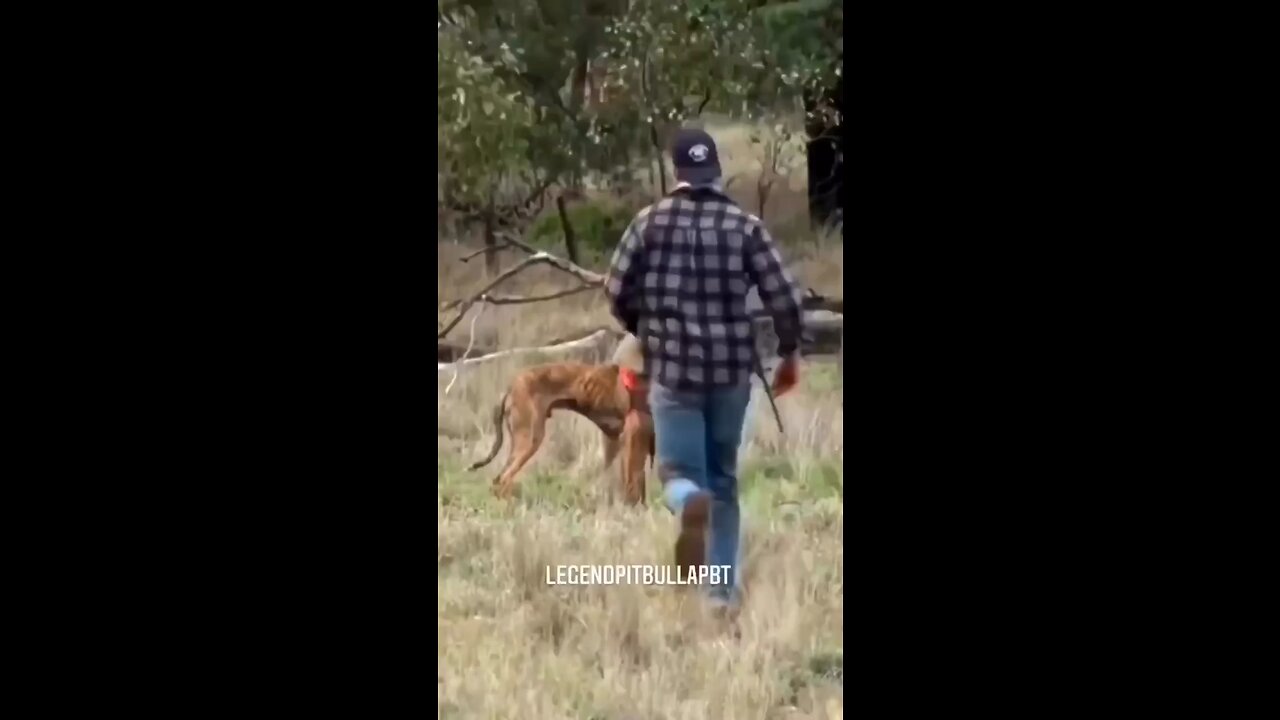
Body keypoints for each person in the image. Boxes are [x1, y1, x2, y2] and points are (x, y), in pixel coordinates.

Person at [603, 127, 805, 610]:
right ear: (715, 171)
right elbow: (785, 297)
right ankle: (721, 592)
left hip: (673, 373)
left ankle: (687, 499)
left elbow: (614, 289)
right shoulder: (745, 226)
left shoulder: (647, 223)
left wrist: (644, 327)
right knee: (725, 479)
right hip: (731, 372)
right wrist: (790, 351)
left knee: (676, 472)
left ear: (676, 173)